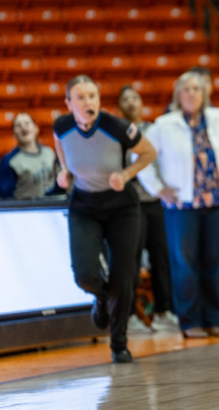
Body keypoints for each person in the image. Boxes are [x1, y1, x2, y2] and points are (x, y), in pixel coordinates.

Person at [137, 72, 219, 339]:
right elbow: (139, 154)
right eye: (185, 89)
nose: (190, 93)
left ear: (204, 94)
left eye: (196, 89)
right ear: (178, 94)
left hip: (216, 203)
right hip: (181, 206)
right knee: (184, 263)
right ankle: (189, 322)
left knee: (213, 261)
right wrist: (158, 188)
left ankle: (214, 319)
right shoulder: (164, 124)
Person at [53, 76, 157, 363]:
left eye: (92, 96)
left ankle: (119, 343)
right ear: (69, 103)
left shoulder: (117, 127)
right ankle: (100, 297)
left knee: (124, 277)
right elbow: (59, 142)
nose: (88, 102)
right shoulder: (62, 126)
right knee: (84, 275)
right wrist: (64, 170)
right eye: (81, 97)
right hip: (84, 205)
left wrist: (125, 174)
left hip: (122, 208)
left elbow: (149, 152)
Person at [117, 86, 179, 333]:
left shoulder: (154, 130)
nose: (131, 102)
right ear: (120, 106)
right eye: (125, 99)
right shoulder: (117, 133)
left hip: (156, 203)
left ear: (142, 103)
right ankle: (130, 316)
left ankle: (164, 312)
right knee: (130, 261)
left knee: (162, 258)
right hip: (131, 205)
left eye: (135, 97)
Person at [0, 113, 62, 200]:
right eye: (18, 125)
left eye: (27, 123)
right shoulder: (9, 161)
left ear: (36, 129)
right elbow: (2, 198)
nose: (23, 127)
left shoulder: (50, 153)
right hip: (25, 211)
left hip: (51, 208)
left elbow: (60, 183)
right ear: (14, 134)